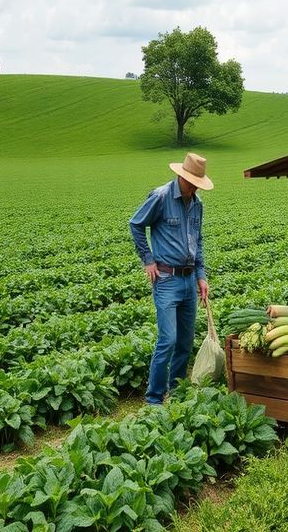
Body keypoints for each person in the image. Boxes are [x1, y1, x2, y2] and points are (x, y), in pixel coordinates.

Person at [129, 153, 213, 405]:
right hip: (166, 279)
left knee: (185, 342)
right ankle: (154, 398)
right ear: (180, 175)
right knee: (168, 339)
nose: (193, 188)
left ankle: (176, 392)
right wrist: (148, 260)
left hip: (189, 281)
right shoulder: (161, 197)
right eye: (190, 183)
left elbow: (197, 242)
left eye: (197, 184)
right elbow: (136, 224)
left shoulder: (197, 204)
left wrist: (201, 276)